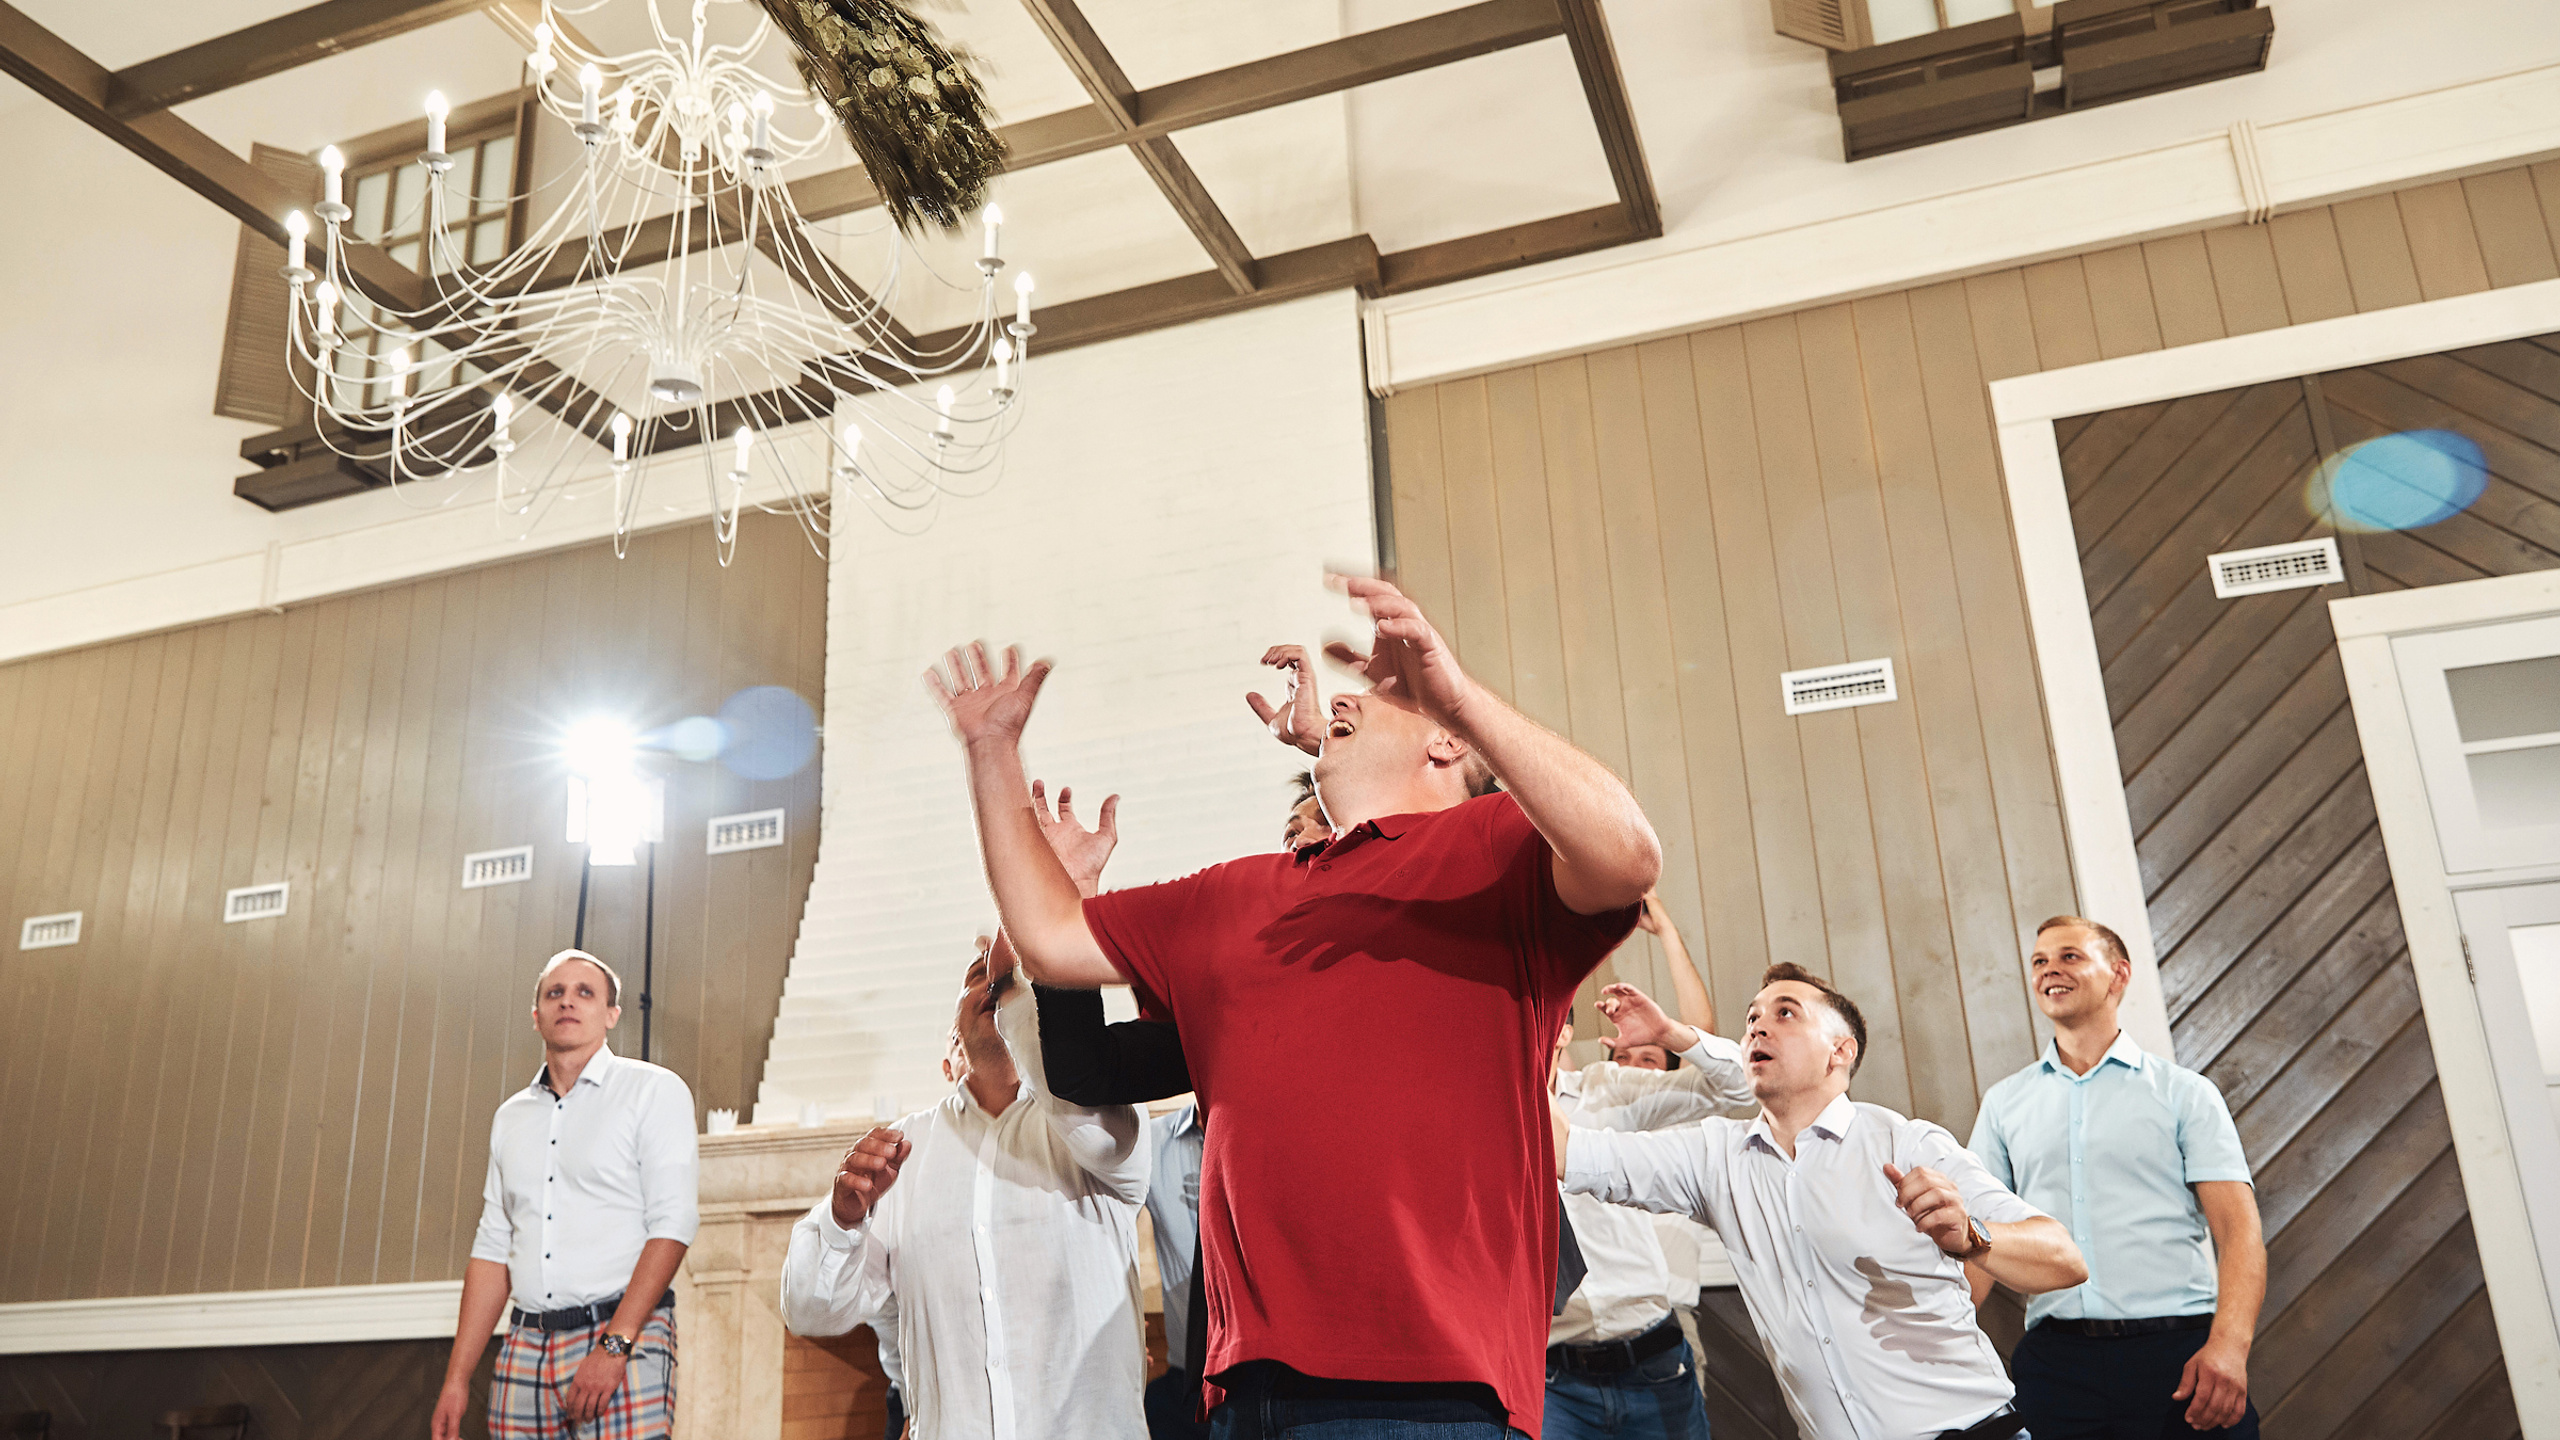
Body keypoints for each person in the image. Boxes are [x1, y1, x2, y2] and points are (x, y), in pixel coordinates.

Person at [927, 573, 1664, 1439]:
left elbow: (1626, 855)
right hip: (1249, 1392)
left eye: (1374, 700)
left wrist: (1455, 701)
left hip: (1428, 1389)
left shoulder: (1492, 857)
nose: (1340, 701)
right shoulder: (1239, 896)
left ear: (1447, 745)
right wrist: (991, 754)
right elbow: (1052, 938)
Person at [1559, 964, 2088, 1440]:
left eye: (1785, 1013)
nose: (1758, 1028)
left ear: (1841, 1050)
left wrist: (1973, 1236)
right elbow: (1569, 1152)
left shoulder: (1906, 1143)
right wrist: (1540, 1030)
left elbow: (2064, 1259)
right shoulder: (1714, 1157)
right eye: (1752, 1018)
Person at [778, 931, 1152, 1440]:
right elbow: (809, 1311)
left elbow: (1093, 1121)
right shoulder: (902, 1151)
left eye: (1012, 978)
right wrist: (843, 1222)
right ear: (952, 1030)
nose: (995, 984)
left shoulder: (1103, 1115)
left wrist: (1022, 989)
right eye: (980, 977)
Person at [1967, 918, 2264, 1439]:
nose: (2049, 970)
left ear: (2119, 975)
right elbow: (1979, 1241)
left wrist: (2229, 1348)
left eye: (2070, 956)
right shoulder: (2003, 1104)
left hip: (2181, 1358)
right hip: (2056, 1367)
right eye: (2039, 961)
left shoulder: (2185, 1094)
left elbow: (2239, 1233)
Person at [432, 950, 700, 1440]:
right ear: (536, 1016)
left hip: (623, 1334)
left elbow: (673, 1224)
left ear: (611, 1014)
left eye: (585, 992)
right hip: (525, 1343)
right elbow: (493, 1248)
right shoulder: (510, 1118)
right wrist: (457, 1378)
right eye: (554, 992)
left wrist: (615, 1345)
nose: (567, 1002)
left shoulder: (653, 1091)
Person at [1544, 993, 1748, 1440]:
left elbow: (1740, 1085)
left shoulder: (1608, 1088)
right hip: (1551, 1381)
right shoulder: (1482, 1112)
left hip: (1653, 1363)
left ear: (1563, 1031)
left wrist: (1670, 1034)